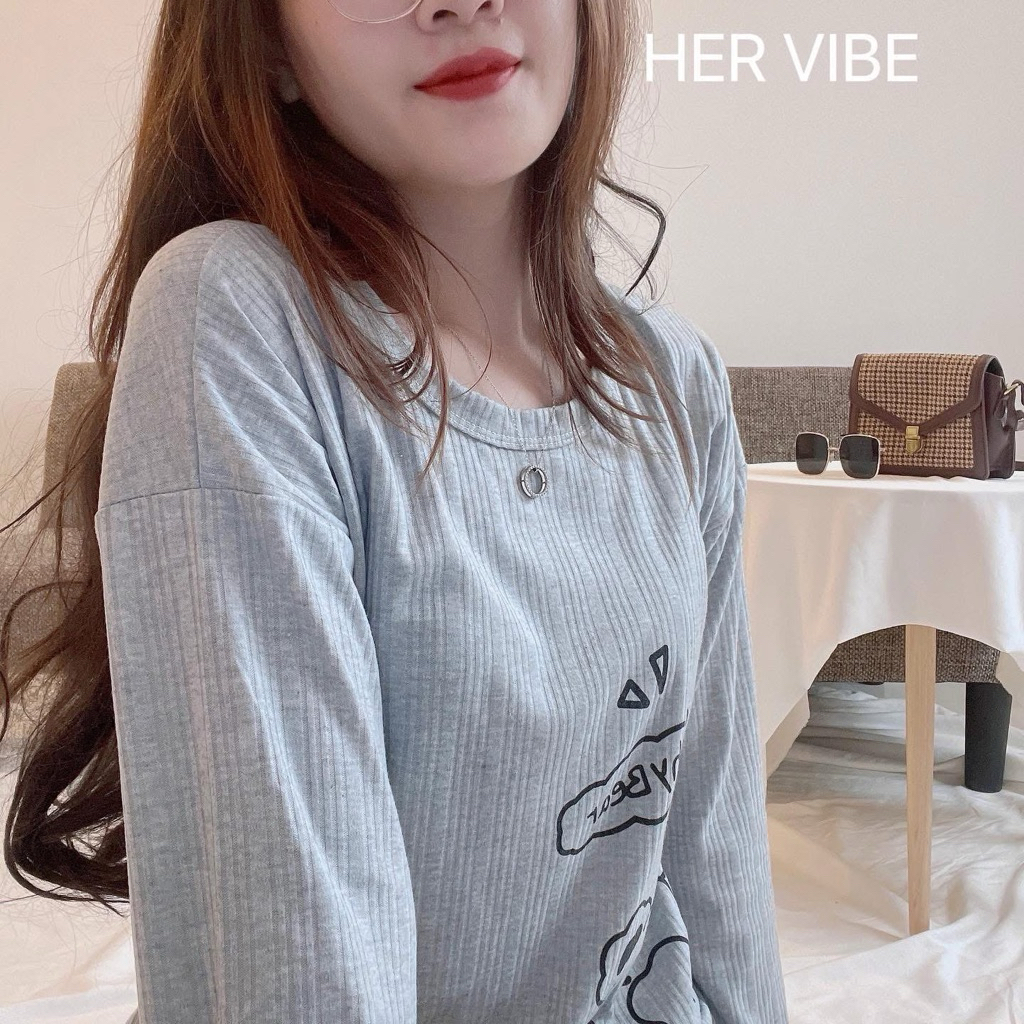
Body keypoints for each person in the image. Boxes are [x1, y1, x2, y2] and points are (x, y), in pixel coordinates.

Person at [0, 0, 789, 1021]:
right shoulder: (238, 318)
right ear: (270, 48)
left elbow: (714, 843)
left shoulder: (673, 377)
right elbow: (297, 966)